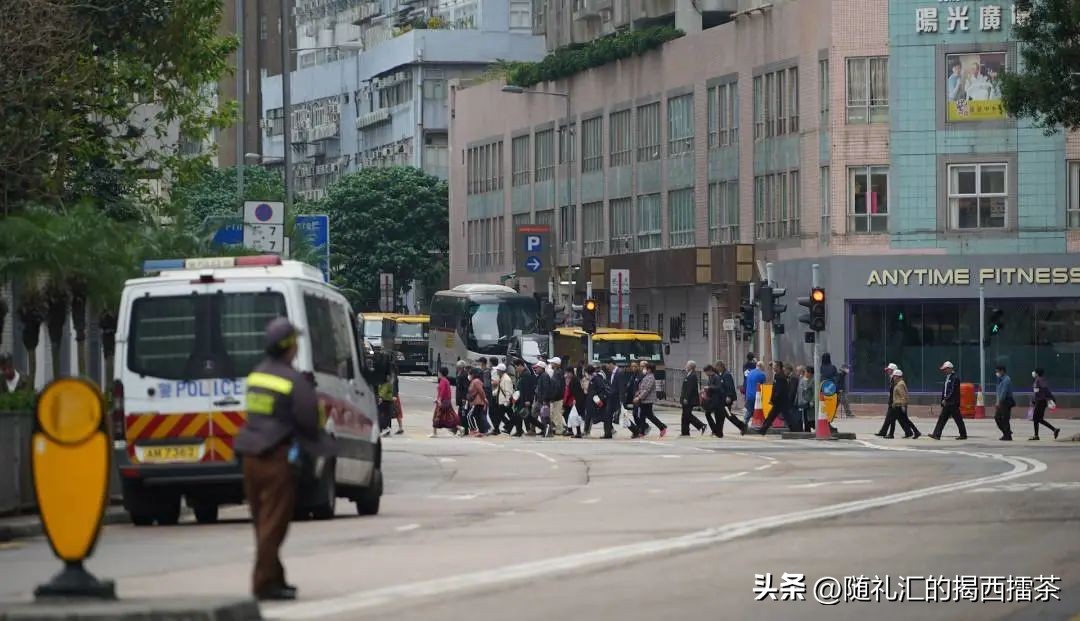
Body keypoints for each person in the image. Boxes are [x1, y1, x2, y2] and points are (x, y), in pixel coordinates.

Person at [235, 318, 334, 601]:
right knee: (274, 523)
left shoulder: (256, 376)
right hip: (276, 458)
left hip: (250, 458)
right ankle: (263, 584)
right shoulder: (293, 380)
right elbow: (309, 421)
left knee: (262, 522)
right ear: (290, 347)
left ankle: (276, 578)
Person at [930, 361, 967, 440]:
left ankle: (963, 435)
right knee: (942, 419)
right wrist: (943, 400)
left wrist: (946, 399)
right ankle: (936, 434)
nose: (944, 371)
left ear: (950, 369)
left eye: (945, 369)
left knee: (958, 419)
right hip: (947, 403)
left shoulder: (955, 378)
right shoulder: (947, 377)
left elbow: (952, 390)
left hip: (953, 403)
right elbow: (945, 390)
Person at [881, 369, 919, 439]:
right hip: (897, 405)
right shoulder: (899, 383)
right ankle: (916, 432)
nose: (894, 378)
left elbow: (903, 396)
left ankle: (891, 434)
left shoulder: (900, 384)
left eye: (895, 376)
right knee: (905, 420)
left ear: (898, 377)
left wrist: (902, 405)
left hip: (899, 406)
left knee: (893, 419)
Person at [634, 362, 667, 438]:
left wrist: (639, 397)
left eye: (645, 368)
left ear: (649, 369)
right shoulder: (647, 376)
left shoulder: (651, 377)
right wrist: (638, 393)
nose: (644, 369)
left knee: (649, 415)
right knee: (642, 416)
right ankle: (642, 431)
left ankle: (662, 427)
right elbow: (642, 387)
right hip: (644, 399)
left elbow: (647, 389)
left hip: (647, 400)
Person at [1030, 368, 1061, 441]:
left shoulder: (1039, 380)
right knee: (1039, 419)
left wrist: (1035, 400)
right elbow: (1042, 391)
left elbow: (1041, 391)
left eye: (1035, 372)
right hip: (1040, 401)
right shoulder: (1040, 380)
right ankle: (1054, 429)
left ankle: (1036, 436)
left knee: (1035, 418)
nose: (1033, 373)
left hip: (1040, 401)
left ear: (1037, 373)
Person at [759, 361, 788, 435]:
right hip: (779, 400)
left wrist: (774, 398)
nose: (773, 367)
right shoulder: (777, 375)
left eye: (774, 366)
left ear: (778, 367)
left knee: (772, 415)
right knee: (772, 415)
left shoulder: (780, 376)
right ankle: (763, 429)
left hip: (780, 401)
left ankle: (763, 429)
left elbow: (779, 389)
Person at [680, 361, 706, 436]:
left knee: (687, 415)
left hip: (689, 400)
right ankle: (685, 432)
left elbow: (690, 389)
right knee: (685, 416)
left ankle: (701, 425)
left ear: (690, 367)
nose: (686, 366)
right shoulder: (689, 374)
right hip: (686, 399)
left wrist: (686, 398)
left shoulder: (693, 376)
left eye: (687, 365)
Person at [586, 364, 611, 438]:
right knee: (604, 417)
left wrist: (599, 398)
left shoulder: (596, 378)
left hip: (598, 401)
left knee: (604, 417)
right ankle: (608, 432)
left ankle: (608, 433)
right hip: (595, 401)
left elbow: (601, 389)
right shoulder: (594, 379)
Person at [431, 367, 457, 437]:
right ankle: (459, 428)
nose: (438, 374)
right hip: (447, 401)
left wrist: (439, 400)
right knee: (448, 416)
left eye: (439, 372)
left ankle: (434, 433)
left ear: (441, 373)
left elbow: (442, 392)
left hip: (443, 401)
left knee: (436, 416)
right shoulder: (446, 381)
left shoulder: (443, 381)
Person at [993, 365, 1014, 441]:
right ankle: (1007, 433)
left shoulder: (1006, 380)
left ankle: (1007, 435)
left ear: (1002, 371)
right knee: (997, 417)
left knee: (1005, 418)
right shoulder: (1002, 379)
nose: (996, 373)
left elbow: (1003, 393)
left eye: (997, 371)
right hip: (1002, 401)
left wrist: (999, 402)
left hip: (1005, 401)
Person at [465, 368, 489, 437]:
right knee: (477, 416)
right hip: (475, 402)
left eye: (470, 374)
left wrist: (484, 399)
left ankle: (474, 429)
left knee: (470, 415)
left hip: (477, 402)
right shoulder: (474, 381)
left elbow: (481, 391)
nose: (469, 375)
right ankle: (481, 430)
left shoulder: (476, 381)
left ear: (473, 374)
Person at [547, 357, 567, 437]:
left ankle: (560, 430)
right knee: (556, 414)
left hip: (557, 397)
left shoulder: (557, 373)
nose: (550, 364)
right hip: (559, 396)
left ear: (556, 364)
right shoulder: (558, 372)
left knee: (557, 414)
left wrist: (553, 397)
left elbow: (557, 387)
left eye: (552, 363)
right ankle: (560, 428)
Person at [744, 362, 767, 426]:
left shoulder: (750, 373)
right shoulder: (762, 374)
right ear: (761, 366)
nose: (764, 369)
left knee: (749, 410)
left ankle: (745, 423)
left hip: (749, 395)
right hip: (757, 396)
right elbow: (764, 386)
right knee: (755, 410)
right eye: (763, 367)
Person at [493, 363, 514, 436]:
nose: (497, 372)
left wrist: (507, 401)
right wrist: (492, 393)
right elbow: (499, 389)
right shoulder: (501, 378)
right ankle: (510, 427)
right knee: (510, 416)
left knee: (499, 415)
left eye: (497, 370)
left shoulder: (506, 379)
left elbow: (508, 391)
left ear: (500, 371)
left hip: (505, 401)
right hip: (502, 401)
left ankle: (497, 429)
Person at [796, 366, 815, 433]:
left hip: (809, 403)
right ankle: (807, 431)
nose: (805, 373)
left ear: (810, 373)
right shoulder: (802, 379)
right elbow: (799, 391)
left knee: (811, 419)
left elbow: (815, 392)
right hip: (803, 402)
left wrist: (812, 401)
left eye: (806, 372)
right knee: (805, 418)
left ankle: (813, 428)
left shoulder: (813, 381)